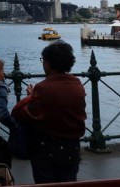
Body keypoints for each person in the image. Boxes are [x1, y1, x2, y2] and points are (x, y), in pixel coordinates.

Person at [11, 40, 86, 184]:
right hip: (72, 146)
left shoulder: (43, 88)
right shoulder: (77, 84)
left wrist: (30, 97)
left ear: (48, 63)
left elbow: (19, 113)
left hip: (47, 148)